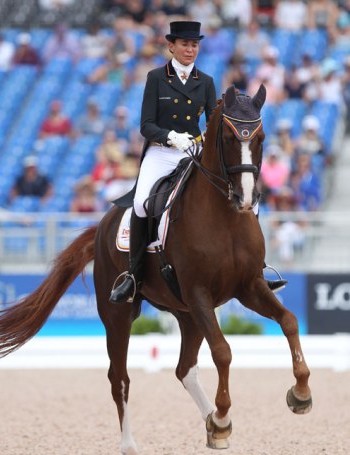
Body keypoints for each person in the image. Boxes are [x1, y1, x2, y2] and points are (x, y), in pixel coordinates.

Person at [109, 21, 285, 304]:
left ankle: (257, 270)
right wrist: (170, 137)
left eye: (194, 45)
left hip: (193, 150)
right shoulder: (156, 78)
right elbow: (146, 125)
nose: (190, 49)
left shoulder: (205, 81)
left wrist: (200, 142)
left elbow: (212, 124)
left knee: (249, 196)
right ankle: (134, 275)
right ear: (171, 46)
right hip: (161, 151)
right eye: (184, 44)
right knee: (142, 202)